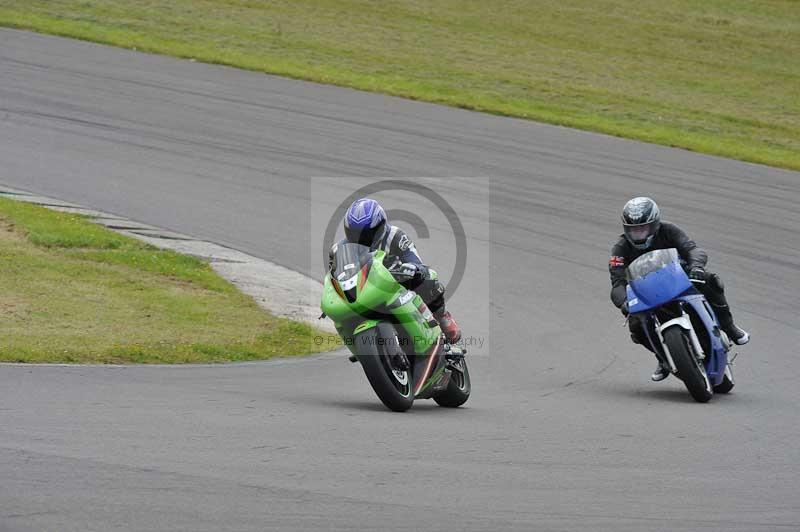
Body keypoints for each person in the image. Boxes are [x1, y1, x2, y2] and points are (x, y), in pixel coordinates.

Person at [609, 197, 749, 382]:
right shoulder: (620, 248)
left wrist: (697, 267)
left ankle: (729, 326)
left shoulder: (669, 230)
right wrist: (624, 302)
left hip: (679, 279)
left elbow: (693, 249)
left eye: (643, 228)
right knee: (636, 325)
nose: (639, 234)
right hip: (648, 291)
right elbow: (617, 283)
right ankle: (663, 357)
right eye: (634, 230)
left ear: (654, 224)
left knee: (711, 280)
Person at [330, 197, 461, 344]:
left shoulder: (395, 236)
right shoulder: (339, 250)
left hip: (397, 282)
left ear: (381, 225)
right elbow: (334, 278)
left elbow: (414, 260)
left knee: (428, 276)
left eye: (367, 233)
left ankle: (442, 317)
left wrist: (413, 269)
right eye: (355, 233)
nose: (362, 238)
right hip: (364, 291)